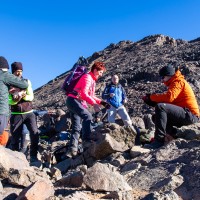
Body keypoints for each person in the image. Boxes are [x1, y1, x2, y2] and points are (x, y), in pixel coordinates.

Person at [142, 64, 199, 149]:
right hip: (186, 114)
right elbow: (171, 102)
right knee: (156, 117)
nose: (162, 80)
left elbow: (169, 97)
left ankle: (159, 140)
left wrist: (152, 97)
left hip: (190, 115)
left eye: (163, 77)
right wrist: (153, 102)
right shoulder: (174, 82)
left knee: (161, 107)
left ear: (168, 75)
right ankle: (173, 135)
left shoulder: (178, 81)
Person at [66, 62, 110, 157]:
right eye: (100, 72)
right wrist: (94, 104)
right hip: (74, 100)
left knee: (76, 127)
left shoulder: (92, 80)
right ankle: (86, 140)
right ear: (95, 70)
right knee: (88, 116)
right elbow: (84, 94)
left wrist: (102, 102)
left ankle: (71, 151)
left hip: (74, 101)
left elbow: (91, 95)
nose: (101, 75)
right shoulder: (87, 77)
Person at [9, 62, 39, 162]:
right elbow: (8, 100)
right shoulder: (8, 83)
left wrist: (23, 96)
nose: (19, 74)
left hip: (29, 113)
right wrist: (15, 100)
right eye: (17, 71)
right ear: (13, 72)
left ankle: (33, 156)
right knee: (15, 138)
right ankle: (16, 159)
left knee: (34, 133)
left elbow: (31, 96)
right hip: (16, 114)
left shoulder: (26, 81)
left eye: (21, 71)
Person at [0, 56, 28, 146]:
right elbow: (24, 84)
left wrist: (7, 90)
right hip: (2, 111)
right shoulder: (4, 74)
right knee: (2, 137)